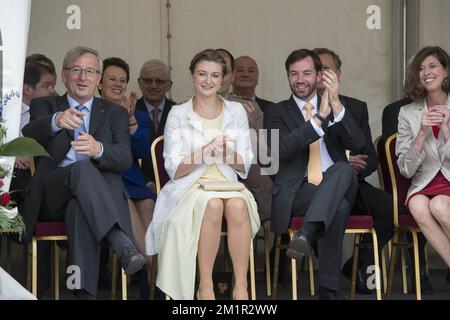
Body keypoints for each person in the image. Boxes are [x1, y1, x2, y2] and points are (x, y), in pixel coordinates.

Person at [21, 46, 146, 299]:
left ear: (98, 78)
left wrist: (98, 149)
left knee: (79, 209)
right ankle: (119, 240)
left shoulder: (115, 113)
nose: (82, 77)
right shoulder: (45, 104)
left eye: (90, 71)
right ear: (64, 75)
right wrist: (56, 121)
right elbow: (31, 131)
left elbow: (124, 158)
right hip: (52, 195)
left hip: (91, 200)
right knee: (79, 168)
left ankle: (84, 295)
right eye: (76, 70)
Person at [145, 49, 260, 300]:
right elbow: (173, 169)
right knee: (213, 205)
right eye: (202, 74)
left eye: (215, 75)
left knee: (239, 206)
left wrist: (228, 153)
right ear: (192, 76)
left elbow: (245, 166)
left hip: (228, 184)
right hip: (190, 186)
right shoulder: (178, 113)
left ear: (223, 80)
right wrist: (204, 152)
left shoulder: (236, 111)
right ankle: (205, 285)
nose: (208, 80)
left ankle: (241, 286)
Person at [264, 49, 364, 300]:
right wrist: (318, 119)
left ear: (319, 75)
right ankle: (329, 291)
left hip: (337, 182)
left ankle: (306, 233)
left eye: (307, 73)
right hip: (298, 190)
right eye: (294, 74)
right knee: (338, 208)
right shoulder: (276, 111)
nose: (300, 79)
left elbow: (359, 142)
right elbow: (280, 151)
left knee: (342, 168)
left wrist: (336, 104)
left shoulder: (335, 106)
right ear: (287, 76)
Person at [314, 47, 394, 294]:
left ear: (338, 73)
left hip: (353, 185)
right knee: (326, 210)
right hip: (316, 186)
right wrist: (338, 166)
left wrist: (358, 165)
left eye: (327, 69)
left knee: (387, 207)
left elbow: (370, 156)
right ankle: (329, 271)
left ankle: (359, 262)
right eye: (317, 69)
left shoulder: (356, 107)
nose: (322, 74)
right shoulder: (301, 107)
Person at [98, 57, 155, 297]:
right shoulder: (90, 112)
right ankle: (153, 283)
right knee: (132, 217)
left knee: (151, 210)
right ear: (99, 83)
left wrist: (130, 119)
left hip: (134, 180)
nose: (118, 84)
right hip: (108, 182)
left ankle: (151, 288)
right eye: (112, 78)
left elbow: (145, 152)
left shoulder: (138, 116)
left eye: (123, 80)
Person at [396, 46, 450, 272]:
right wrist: (421, 134)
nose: (426, 71)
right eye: (421, 68)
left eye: (433, 65)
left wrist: (446, 131)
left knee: (438, 205)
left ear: (446, 71)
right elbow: (405, 170)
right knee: (418, 204)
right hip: (424, 183)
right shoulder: (407, 113)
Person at [216, 48, 272, 222]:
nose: (216, 77)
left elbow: (268, 158)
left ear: (231, 76)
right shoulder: (185, 109)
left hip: (244, 174)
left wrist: (247, 129)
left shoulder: (251, 108)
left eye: (223, 72)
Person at [135, 59, 176, 188]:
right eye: (148, 81)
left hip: (174, 183)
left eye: (159, 81)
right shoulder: (129, 112)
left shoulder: (179, 113)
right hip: (140, 184)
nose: (153, 86)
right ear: (139, 83)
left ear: (169, 85)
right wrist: (147, 183)